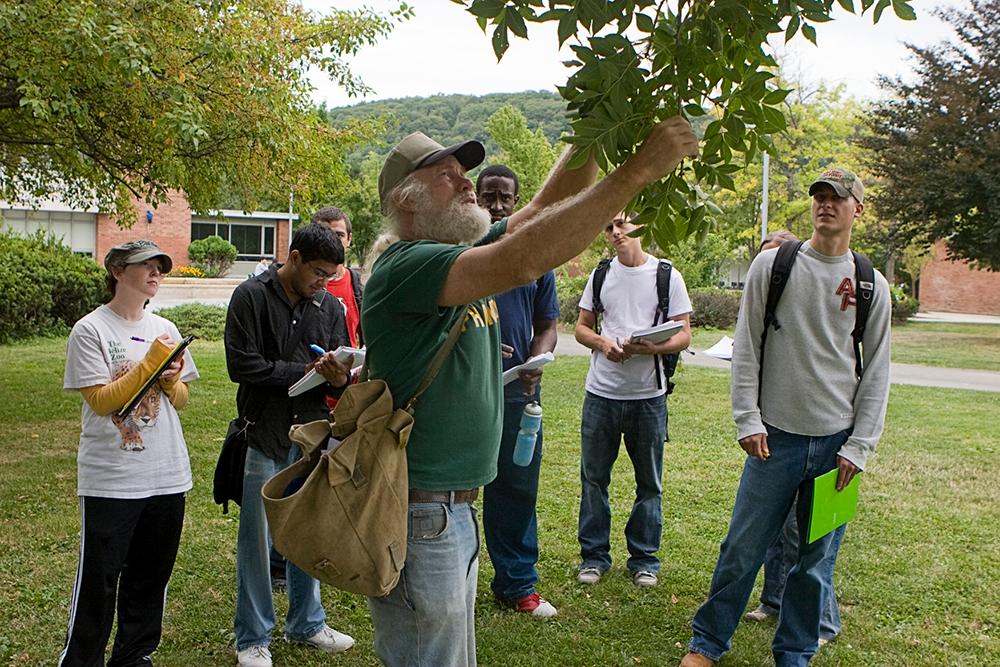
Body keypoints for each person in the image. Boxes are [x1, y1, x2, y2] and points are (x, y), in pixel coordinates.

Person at [361, 118, 698, 666]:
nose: (468, 182)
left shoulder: (446, 250)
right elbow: (526, 258)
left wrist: (594, 128)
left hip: (448, 511)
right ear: (408, 202)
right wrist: (637, 171)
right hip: (421, 513)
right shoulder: (408, 264)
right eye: (448, 175)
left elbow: (543, 209)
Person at [680, 167, 892, 667]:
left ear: (856, 209)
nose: (826, 204)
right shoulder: (773, 265)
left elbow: (876, 371)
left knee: (814, 562)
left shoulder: (870, 284)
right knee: (741, 549)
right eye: (819, 196)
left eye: (838, 198)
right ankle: (706, 645)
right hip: (774, 440)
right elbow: (747, 345)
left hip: (834, 446)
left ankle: (794, 653)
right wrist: (747, 420)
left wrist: (858, 448)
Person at [60, 240, 199, 666]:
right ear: (119, 270)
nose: (156, 273)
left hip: (166, 474)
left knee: (149, 578)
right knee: (99, 581)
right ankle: (83, 660)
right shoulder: (90, 330)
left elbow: (180, 398)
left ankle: (134, 657)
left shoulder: (167, 328)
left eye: (161, 268)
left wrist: (172, 379)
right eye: (147, 266)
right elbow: (102, 402)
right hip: (113, 478)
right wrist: (151, 363)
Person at [224, 223, 355, 667]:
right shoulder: (250, 296)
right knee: (257, 541)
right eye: (317, 272)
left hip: (312, 436)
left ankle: (307, 623)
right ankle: (252, 637)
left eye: (329, 276)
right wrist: (303, 372)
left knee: (308, 532)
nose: (322, 283)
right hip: (263, 431)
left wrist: (340, 375)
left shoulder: (330, 305)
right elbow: (243, 366)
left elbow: (344, 366)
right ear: (293, 258)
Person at [573, 212, 693, 589]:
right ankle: (594, 556)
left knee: (649, 483)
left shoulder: (667, 276)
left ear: (642, 226)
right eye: (608, 227)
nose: (615, 232)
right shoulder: (601, 275)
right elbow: (580, 327)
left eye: (622, 224)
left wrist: (649, 348)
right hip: (602, 393)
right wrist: (602, 342)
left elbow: (685, 334)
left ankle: (644, 560)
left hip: (648, 396)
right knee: (594, 479)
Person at [745, 228, 842, 645]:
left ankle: (823, 623)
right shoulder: (768, 309)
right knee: (773, 527)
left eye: (774, 262)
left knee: (812, 539)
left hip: (822, 436)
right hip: (774, 430)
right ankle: (772, 600)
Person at [476, 164, 560, 618]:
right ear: (475, 197)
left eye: (505, 197)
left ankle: (516, 583)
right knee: (460, 489)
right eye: (488, 196)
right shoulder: (463, 250)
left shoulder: (535, 256)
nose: (496, 206)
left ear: (517, 200)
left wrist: (537, 356)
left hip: (518, 393)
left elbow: (547, 322)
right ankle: (455, 578)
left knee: (517, 486)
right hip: (467, 394)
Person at [312, 206, 364, 347]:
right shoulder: (302, 284)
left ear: (349, 239)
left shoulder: (359, 286)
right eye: (325, 234)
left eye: (339, 235)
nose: (332, 240)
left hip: (347, 366)